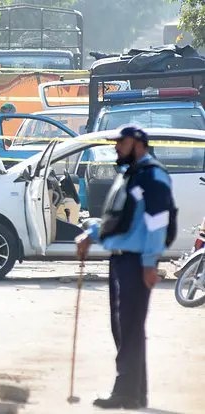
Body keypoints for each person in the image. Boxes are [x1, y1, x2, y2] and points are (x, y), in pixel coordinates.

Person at [76, 125, 176, 410]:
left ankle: (125, 391)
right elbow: (117, 219)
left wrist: (149, 263)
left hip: (136, 262)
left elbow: (158, 223)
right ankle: (135, 393)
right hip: (121, 259)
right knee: (124, 328)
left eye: (122, 142)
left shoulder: (153, 176)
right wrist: (91, 235)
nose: (116, 147)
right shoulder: (130, 175)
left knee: (129, 327)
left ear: (138, 144)